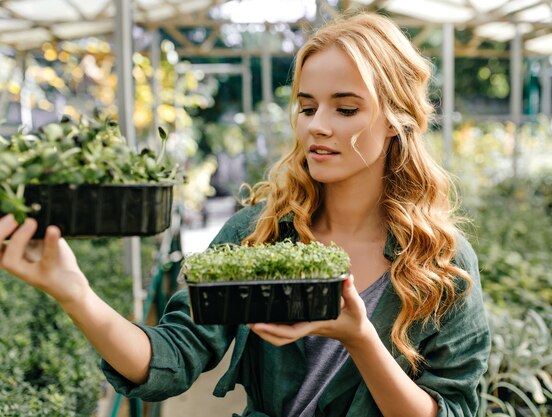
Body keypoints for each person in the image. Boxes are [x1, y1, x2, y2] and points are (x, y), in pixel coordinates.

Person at [0, 11, 490, 417]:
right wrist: (75, 293)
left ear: (396, 121)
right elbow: (172, 357)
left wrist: (361, 339)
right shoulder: (256, 233)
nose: (317, 126)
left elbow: (452, 409)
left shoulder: (441, 263)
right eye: (306, 106)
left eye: (345, 109)